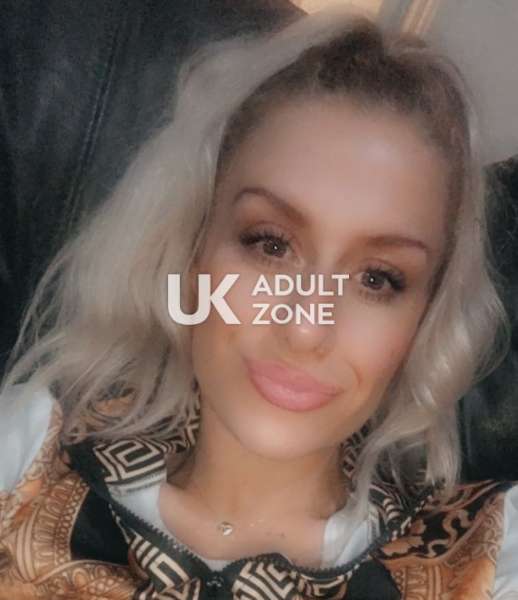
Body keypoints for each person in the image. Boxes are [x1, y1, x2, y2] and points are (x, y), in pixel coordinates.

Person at [0, 5, 517, 599]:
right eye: (270, 245)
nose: (305, 328)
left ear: (425, 316)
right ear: (193, 244)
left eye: (377, 279)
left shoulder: (487, 555)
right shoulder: (28, 455)